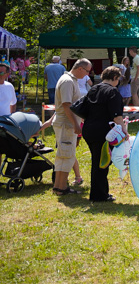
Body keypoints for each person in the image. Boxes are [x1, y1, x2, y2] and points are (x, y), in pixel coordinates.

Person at [79, 66, 128, 202]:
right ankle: (98, 195)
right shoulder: (112, 92)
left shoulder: (94, 89)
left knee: (98, 161)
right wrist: (125, 131)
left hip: (89, 129)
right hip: (104, 132)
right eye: (118, 79)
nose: (118, 82)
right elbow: (117, 117)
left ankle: (100, 193)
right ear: (114, 78)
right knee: (102, 163)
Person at [52, 58, 91, 196]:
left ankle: (59, 186)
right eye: (87, 71)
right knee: (67, 155)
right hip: (66, 124)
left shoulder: (70, 80)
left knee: (64, 155)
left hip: (66, 123)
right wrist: (76, 124)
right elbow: (66, 104)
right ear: (80, 68)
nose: (87, 75)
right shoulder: (68, 81)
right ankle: (61, 187)